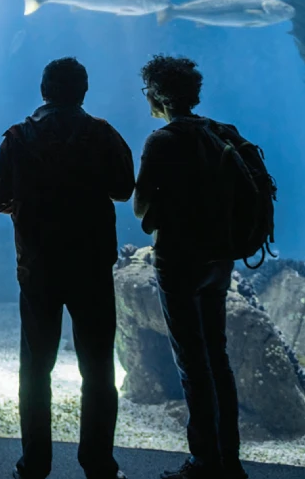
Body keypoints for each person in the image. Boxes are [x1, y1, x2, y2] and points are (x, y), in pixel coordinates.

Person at [0, 57, 134, 479]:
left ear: (43, 90)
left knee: (35, 368)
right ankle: (99, 463)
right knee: (99, 368)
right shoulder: (102, 133)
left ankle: (35, 464)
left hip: (38, 270)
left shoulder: (19, 137)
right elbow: (124, 188)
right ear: (83, 92)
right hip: (91, 267)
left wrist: (17, 198)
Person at [134, 55, 253, 479]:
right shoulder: (220, 133)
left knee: (191, 360)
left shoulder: (161, 142)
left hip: (178, 261)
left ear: (158, 95)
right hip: (219, 259)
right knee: (217, 356)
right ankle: (230, 458)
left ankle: (204, 461)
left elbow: (142, 207)